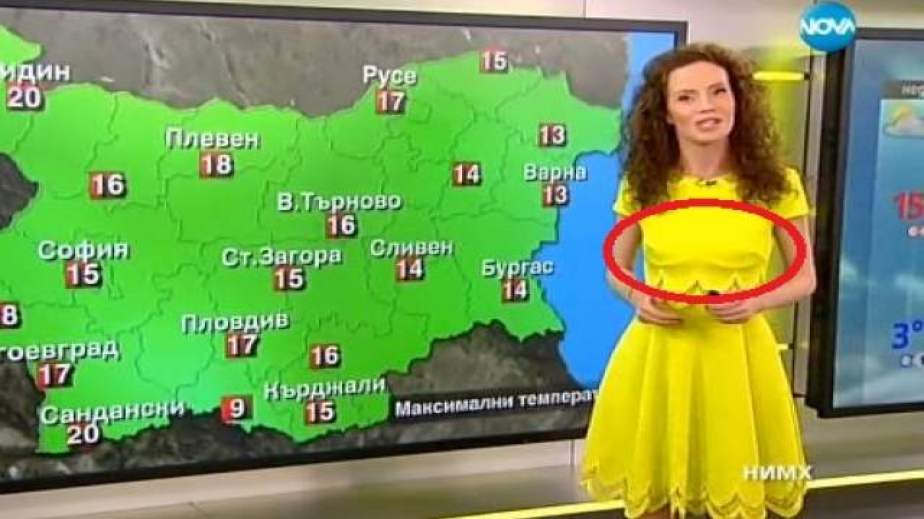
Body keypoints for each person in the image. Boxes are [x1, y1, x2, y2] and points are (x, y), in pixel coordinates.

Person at [580, 42, 817, 519]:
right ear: (666, 114)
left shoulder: (777, 185)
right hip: (659, 356)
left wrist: (756, 301)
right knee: (654, 498)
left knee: (736, 492)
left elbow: (804, 278)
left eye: (718, 92)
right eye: (687, 97)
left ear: (738, 100)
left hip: (738, 360)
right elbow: (616, 269)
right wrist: (638, 296)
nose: (707, 106)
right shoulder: (644, 186)